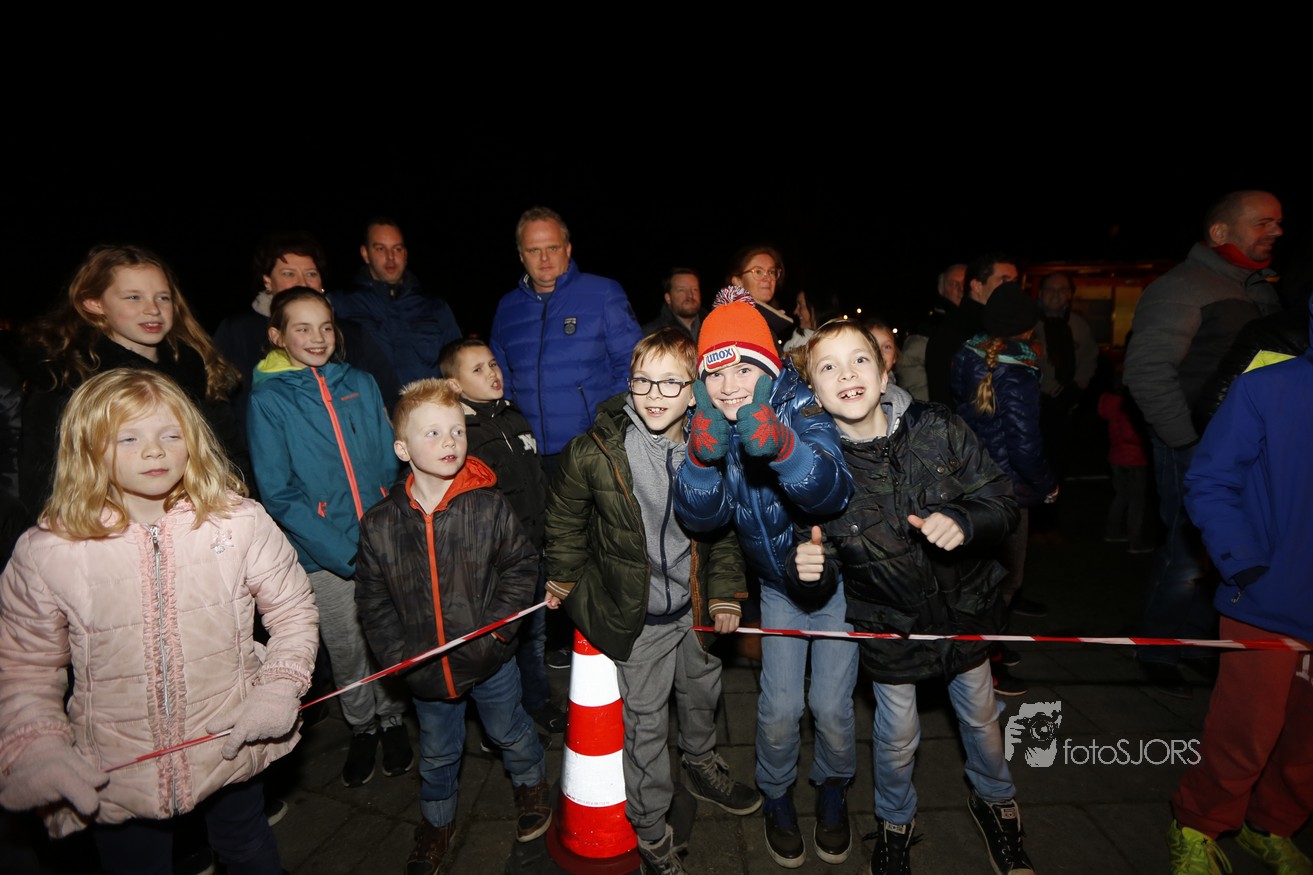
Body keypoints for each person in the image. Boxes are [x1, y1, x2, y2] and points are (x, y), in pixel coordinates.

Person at [0, 368, 318, 874]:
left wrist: (279, 687)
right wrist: (36, 746)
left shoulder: (238, 522)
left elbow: (293, 609)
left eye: (170, 435)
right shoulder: (49, 552)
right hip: (117, 768)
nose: (154, 451)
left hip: (229, 737)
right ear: (88, 448)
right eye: (128, 438)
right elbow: (24, 666)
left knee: (248, 847)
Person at [790, 320, 1033, 875]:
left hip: (964, 610)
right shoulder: (818, 470)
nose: (846, 374)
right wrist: (807, 568)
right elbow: (817, 556)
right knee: (897, 737)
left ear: (884, 374)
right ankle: (894, 822)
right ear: (815, 392)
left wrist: (965, 521)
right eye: (828, 367)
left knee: (982, 720)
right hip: (888, 624)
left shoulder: (938, 427)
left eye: (859, 360)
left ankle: (997, 803)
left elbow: (1001, 499)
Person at [544, 328, 760, 874]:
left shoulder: (712, 452)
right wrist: (563, 576)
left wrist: (725, 597)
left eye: (670, 382)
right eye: (643, 381)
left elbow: (725, 536)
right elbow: (565, 519)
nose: (654, 394)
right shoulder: (595, 452)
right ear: (629, 383)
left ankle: (701, 764)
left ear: (694, 393)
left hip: (694, 609)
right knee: (644, 728)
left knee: (701, 694)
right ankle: (651, 832)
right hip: (637, 620)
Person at [673, 287, 855, 869]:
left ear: (770, 369)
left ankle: (833, 787)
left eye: (743, 368)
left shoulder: (801, 408)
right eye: (715, 373)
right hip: (776, 590)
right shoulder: (710, 423)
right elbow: (703, 519)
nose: (729, 385)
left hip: (833, 586)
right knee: (778, 709)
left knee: (832, 707)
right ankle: (776, 793)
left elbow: (831, 490)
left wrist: (783, 447)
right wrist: (700, 462)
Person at [354, 378, 549, 875]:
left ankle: (530, 784)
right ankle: (437, 821)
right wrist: (396, 653)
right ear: (402, 449)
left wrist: (496, 634)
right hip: (424, 669)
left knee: (509, 729)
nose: (450, 442)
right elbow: (372, 598)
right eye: (433, 433)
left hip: (490, 659)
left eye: (457, 431)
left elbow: (521, 568)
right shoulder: (380, 523)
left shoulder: (488, 505)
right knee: (438, 751)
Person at [1166, 293, 1313, 875]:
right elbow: (1210, 480)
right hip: (1268, 599)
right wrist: (1245, 564)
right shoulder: (1268, 386)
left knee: (1306, 744)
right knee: (1244, 732)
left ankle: (1272, 824)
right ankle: (1197, 824)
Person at [245, 290, 412, 788]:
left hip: (380, 539)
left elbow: (391, 462)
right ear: (277, 336)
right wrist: (344, 551)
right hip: (323, 552)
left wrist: (389, 530)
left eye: (324, 326)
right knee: (346, 645)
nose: (317, 338)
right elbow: (278, 493)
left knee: (387, 635)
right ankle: (362, 725)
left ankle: (393, 719)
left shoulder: (359, 382)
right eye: (302, 328)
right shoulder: (268, 399)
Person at [1123, 190, 1284, 694]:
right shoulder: (1182, 287)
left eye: (1278, 222)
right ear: (1221, 232)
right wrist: (1184, 441)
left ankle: (1196, 644)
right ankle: (1158, 649)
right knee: (1186, 553)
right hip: (1196, 446)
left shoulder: (1262, 291)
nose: (1276, 232)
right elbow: (1147, 371)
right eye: (1263, 222)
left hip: (1251, 450)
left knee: (1225, 551)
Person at [20, 244, 243, 521]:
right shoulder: (68, 378)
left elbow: (228, 453)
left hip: (199, 519)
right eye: (133, 297)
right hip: (107, 525)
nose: (153, 309)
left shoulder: (196, 367)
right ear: (94, 303)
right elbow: (44, 471)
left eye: (163, 298)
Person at [438, 338, 565, 734]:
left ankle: (537, 701)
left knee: (534, 634)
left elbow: (537, 481)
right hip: (497, 564)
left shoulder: (514, 416)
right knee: (501, 644)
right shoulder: (460, 433)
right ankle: (503, 723)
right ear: (454, 385)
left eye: (493, 364)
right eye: (477, 369)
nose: (492, 373)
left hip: (534, 550)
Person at [950, 282, 1057, 696]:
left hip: (970, 482)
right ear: (1026, 328)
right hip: (1007, 491)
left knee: (979, 578)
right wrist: (1046, 485)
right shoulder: (1017, 369)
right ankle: (983, 664)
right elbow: (1024, 444)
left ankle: (987, 648)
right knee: (1006, 581)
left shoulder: (968, 355)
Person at [489, 206, 644, 469]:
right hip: (528, 454)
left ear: (568, 249)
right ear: (521, 256)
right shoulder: (507, 308)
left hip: (592, 449)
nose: (544, 258)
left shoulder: (603, 293)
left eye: (553, 248)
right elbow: (500, 379)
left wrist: (606, 427)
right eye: (534, 250)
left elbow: (633, 365)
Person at [214, 230, 399, 429]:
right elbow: (215, 397)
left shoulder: (351, 333)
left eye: (311, 274)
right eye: (289, 274)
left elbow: (389, 396)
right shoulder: (237, 331)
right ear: (267, 281)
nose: (302, 283)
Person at [328, 218, 462, 386]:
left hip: (429, 401)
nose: (390, 257)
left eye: (397, 249)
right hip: (370, 402)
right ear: (365, 254)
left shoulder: (434, 306)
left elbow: (460, 363)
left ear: (405, 254)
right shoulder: (340, 304)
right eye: (380, 249)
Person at [925, 254, 1018, 405]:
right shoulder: (957, 330)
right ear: (977, 286)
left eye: (1014, 282)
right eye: (1003, 280)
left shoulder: (1000, 325)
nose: (1012, 289)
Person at [898, 264, 966, 401]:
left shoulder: (985, 324)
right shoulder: (925, 333)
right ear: (941, 289)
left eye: (965, 284)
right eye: (954, 284)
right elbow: (916, 392)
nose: (961, 289)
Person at [730, 245, 794, 349]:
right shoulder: (731, 322)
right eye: (758, 272)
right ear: (738, 282)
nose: (767, 278)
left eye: (771, 272)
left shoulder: (768, 323)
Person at [642, 268, 707, 342]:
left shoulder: (714, 325)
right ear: (668, 298)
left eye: (695, 289)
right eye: (681, 290)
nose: (690, 295)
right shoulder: (651, 335)